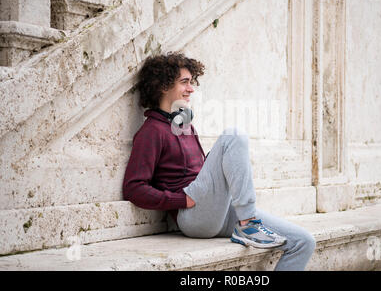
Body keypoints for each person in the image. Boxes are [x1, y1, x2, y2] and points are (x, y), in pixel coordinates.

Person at [122, 52, 316, 270]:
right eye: (184, 82)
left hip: (219, 212)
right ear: (163, 86)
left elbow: (204, 174)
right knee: (233, 135)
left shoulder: (184, 125)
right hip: (193, 217)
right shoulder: (152, 131)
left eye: (191, 82)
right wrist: (180, 200)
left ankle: (247, 221)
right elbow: (133, 188)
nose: (191, 89)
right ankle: (248, 224)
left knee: (303, 242)